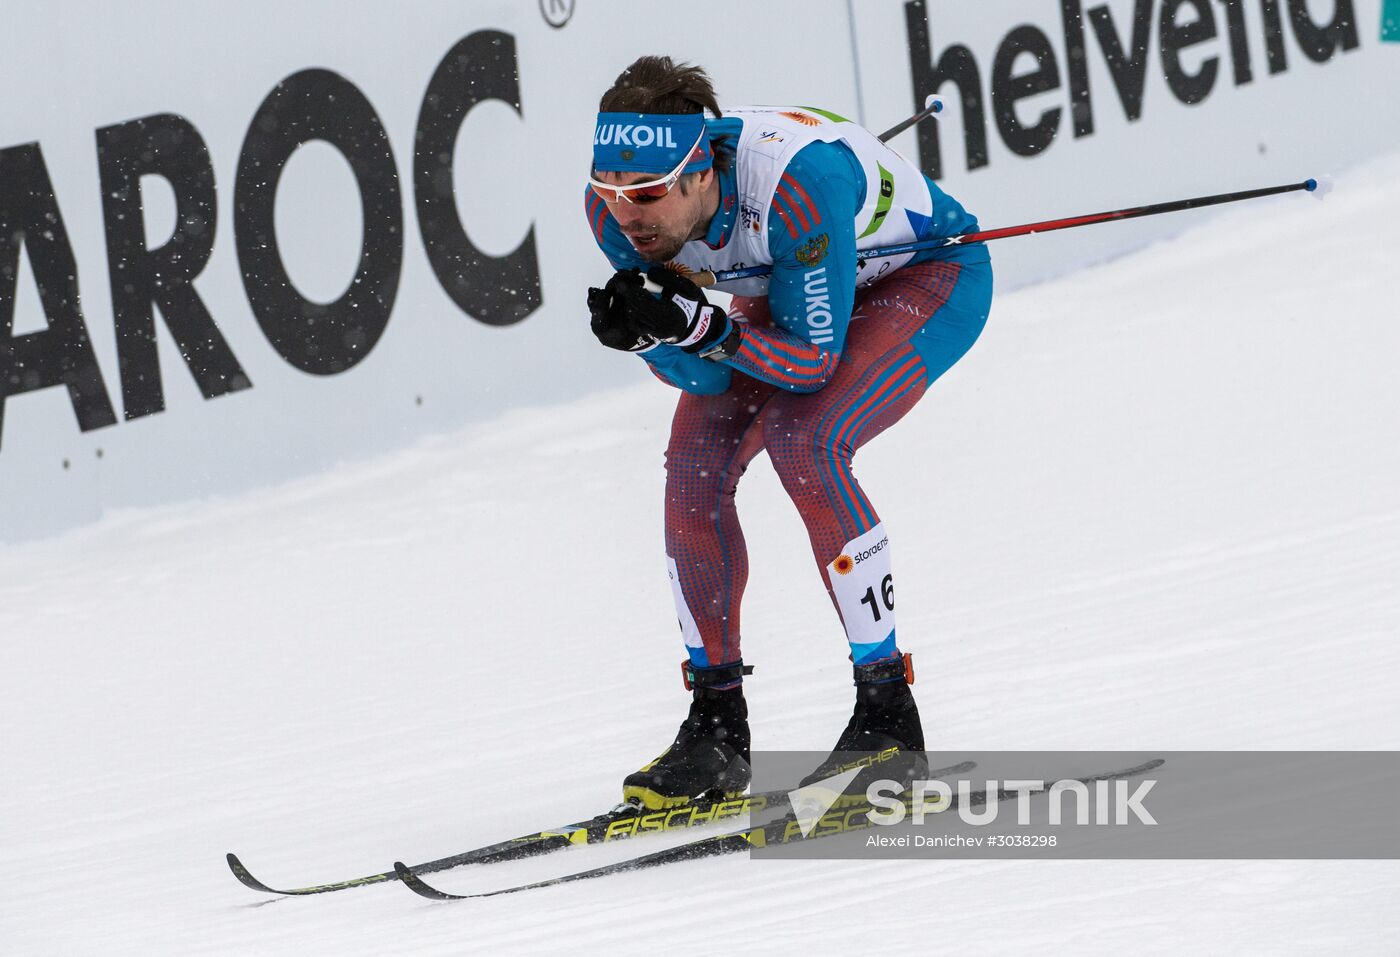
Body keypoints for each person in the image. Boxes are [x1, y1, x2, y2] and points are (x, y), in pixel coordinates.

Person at [584, 56, 993, 810]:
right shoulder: (615, 212)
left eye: (644, 195)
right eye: (610, 195)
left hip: (923, 278)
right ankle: (717, 727)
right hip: (791, 297)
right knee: (692, 469)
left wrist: (701, 325)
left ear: (702, 172)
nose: (625, 216)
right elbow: (708, 377)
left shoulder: (797, 183)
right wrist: (656, 339)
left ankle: (888, 720)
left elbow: (808, 365)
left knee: (806, 439)